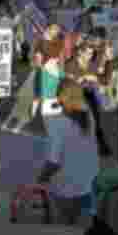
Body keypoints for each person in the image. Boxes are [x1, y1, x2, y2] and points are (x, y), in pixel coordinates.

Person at [36, 78, 101, 224]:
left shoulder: (57, 123)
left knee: (63, 231)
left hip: (66, 188)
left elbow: (53, 162)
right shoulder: (89, 116)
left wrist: (41, 179)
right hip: (89, 184)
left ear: (60, 96)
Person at [33, 38, 66, 118]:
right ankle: (35, 113)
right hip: (46, 99)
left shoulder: (58, 69)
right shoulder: (43, 68)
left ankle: (35, 113)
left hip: (52, 98)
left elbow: (63, 77)